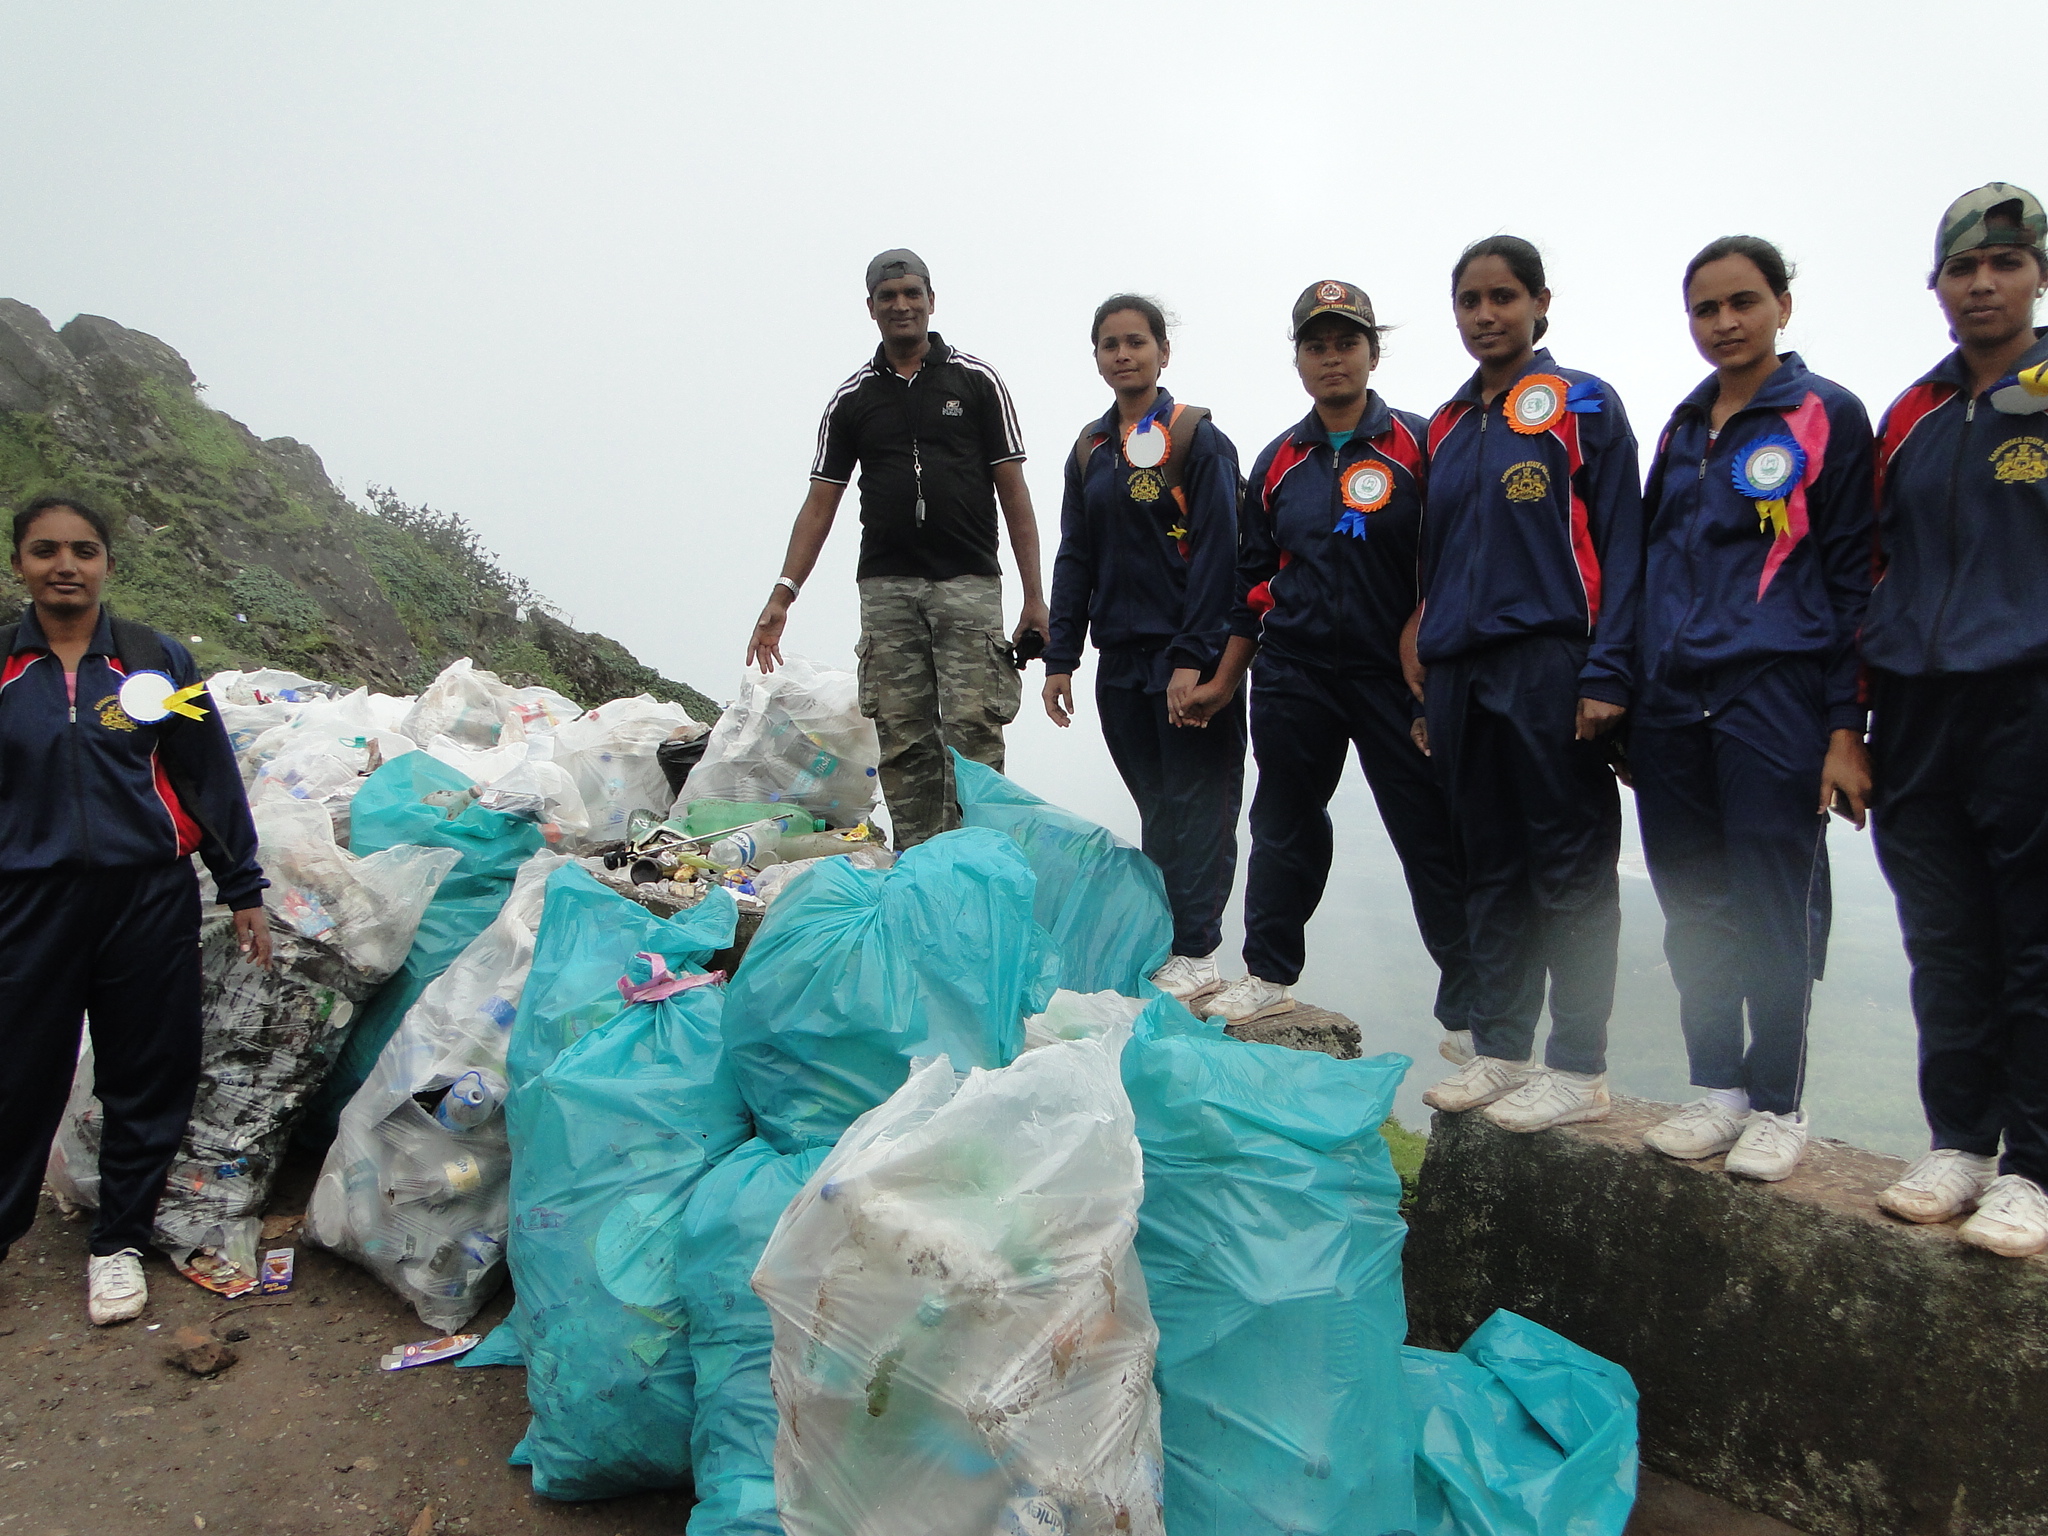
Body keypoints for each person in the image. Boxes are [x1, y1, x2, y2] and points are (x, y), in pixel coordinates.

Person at [1631, 236, 1875, 1181]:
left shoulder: (1826, 416)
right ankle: (1717, 1089)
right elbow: (1654, 563)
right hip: (1671, 701)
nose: (1725, 323)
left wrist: (1847, 725)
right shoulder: (1685, 426)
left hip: (1775, 691)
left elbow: (1853, 575)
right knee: (1692, 902)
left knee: (1774, 904)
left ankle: (1778, 1103)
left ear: (1781, 304)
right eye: (1706, 309)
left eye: (1742, 302)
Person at [1178, 280, 1477, 1038]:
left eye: (1347, 342)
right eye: (1317, 345)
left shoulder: (1421, 444)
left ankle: (1476, 1005)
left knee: (1429, 829)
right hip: (1294, 673)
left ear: (1373, 352)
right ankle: (1270, 973)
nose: (1332, 358)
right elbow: (1252, 583)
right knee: (1283, 823)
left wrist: (1427, 630)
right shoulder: (1279, 460)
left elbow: (1456, 554)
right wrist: (1224, 678)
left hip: (1396, 675)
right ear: (1299, 359)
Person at [2, 496, 269, 1326]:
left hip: (146, 896)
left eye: (82, 550)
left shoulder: (154, 665)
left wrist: (242, 886)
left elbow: (204, 774)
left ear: (107, 562)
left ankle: (116, 1244)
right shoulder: (4, 667)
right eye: (46, 551)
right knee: (16, 1074)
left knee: (146, 1070)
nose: (65, 565)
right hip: (27, 899)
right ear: (21, 564)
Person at [1412, 237, 1642, 1133]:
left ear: (1541, 301)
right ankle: (1503, 1049)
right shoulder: (1445, 424)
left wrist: (1610, 668)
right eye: (1469, 300)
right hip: (1460, 669)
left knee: (1571, 866)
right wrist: (1428, 676)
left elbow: (1625, 547)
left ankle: (1579, 1065)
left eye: (1502, 297)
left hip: (1553, 658)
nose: (1484, 315)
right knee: (1489, 862)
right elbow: (1434, 565)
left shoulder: (1583, 403)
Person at [1864, 183, 2048, 1257]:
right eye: (1961, 268)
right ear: (1933, 284)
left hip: (2028, 697)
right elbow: (1865, 570)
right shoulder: (1907, 416)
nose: (1981, 283)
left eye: (2004, 263)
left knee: (2032, 939)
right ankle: (1957, 1142)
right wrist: (1849, 722)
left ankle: (2030, 1165)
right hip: (1914, 709)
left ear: (2034, 275)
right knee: (1942, 938)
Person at [746, 249, 1048, 849]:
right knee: (905, 737)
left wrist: (1035, 597)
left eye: (912, 293)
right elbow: (820, 504)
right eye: (888, 297)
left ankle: (978, 866)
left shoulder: (978, 382)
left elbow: (1015, 494)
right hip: (886, 590)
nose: (901, 305)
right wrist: (783, 593)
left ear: (932, 301)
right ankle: (917, 869)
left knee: (973, 734)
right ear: (871, 309)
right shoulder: (851, 400)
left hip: (968, 583)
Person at [1042, 295, 1245, 1003]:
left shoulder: (1197, 438)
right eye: (1109, 344)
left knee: (1202, 804)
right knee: (1157, 805)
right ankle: (1166, 942)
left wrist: (1195, 657)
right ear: (1097, 357)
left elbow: (1224, 554)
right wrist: (1061, 657)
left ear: (1164, 351)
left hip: (1188, 656)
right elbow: (1076, 556)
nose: (1123, 354)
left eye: (1136, 341)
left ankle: (1200, 950)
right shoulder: (1090, 450)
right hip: (1120, 661)